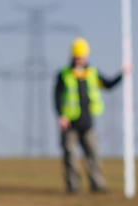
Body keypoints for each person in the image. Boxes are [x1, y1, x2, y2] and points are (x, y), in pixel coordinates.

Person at [53, 38, 124, 194]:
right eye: (78, 56)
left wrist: (122, 74)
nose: (81, 59)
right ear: (73, 56)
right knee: (70, 156)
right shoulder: (64, 74)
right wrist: (61, 116)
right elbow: (56, 97)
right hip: (70, 123)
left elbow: (108, 85)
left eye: (83, 56)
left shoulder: (92, 73)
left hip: (87, 123)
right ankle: (73, 187)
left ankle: (97, 185)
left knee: (93, 155)